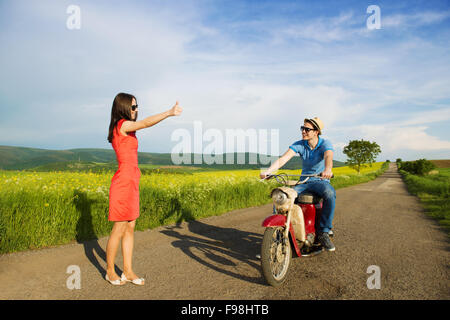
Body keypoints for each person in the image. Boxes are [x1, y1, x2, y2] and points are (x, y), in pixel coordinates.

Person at [105, 92, 182, 285]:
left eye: (137, 106)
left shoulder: (129, 130)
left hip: (132, 182)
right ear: (123, 108)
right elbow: (146, 123)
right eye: (133, 107)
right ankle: (109, 271)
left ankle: (128, 271)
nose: (136, 109)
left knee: (130, 227)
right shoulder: (121, 125)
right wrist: (169, 113)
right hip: (122, 183)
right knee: (119, 227)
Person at [260, 117, 336, 253]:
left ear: (316, 132)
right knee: (284, 196)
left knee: (329, 193)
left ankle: (324, 232)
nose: (303, 131)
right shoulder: (300, 144)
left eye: (307, 129)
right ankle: (275, 235)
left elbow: (328, 157)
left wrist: (328, 169)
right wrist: (268, 171)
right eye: (303, 128)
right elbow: (284, 158)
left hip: (320, 181)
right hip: (304, 181)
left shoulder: (325, 143)